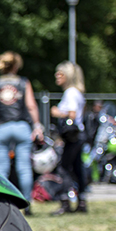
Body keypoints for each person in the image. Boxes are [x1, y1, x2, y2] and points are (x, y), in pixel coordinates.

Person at [0, 52, 44, 213]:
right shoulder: (23, 83)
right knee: (24, 167)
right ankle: (27, 204)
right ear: (16, 66)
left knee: (2, 167)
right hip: (21, 127)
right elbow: (31, 106)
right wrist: (37, 125)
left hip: (1, 127)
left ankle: (2, 203)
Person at [49, 61, 87, 214]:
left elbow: (72, 114)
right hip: (79, 135)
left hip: (73, 136)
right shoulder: (77, 92)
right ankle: (82, 202)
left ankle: (65, 201)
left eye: (60, 73)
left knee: (64, 168)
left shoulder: (70, 93)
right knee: (78, 169)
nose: (57, 76)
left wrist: (57, 112)